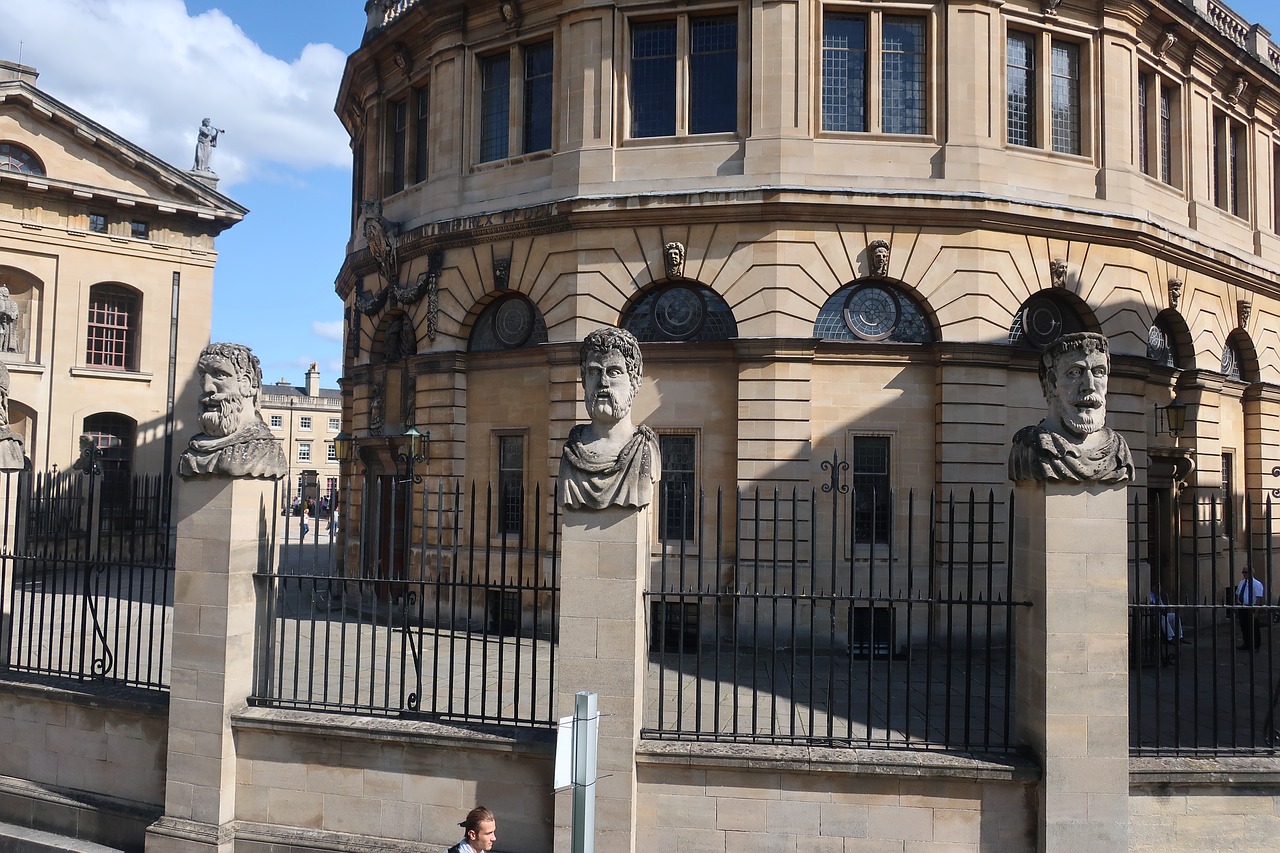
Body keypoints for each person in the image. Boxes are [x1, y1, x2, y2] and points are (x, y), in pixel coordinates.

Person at [1008, 332, 1134, 484]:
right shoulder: (1029, 447)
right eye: (1074, 373)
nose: (1089, 386)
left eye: (1099, 372)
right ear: (1052, 382)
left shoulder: (1118, 451)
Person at [559, 327, 661, 510]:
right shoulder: (571, 452)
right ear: (584, 380)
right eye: (594, 372)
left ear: (635, 380)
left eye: (613, 372)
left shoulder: (643, 448)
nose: (602, 382)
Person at [178, 343, 288, 479]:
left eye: (219, 375)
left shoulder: (265, 453)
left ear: (246, 383)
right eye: (202, 376)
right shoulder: (191, 453)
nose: (207, 387)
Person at [1236, 567, 1265, 652]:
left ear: (1251, 573)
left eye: (1246, 572)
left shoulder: (1256, 584)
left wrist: (1256, 610)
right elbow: (1238, 593)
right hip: (1243, 607)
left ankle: (1256, 646)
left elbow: (1258, 597)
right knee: (1244, 627)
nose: (1244, 574)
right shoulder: (1241, 582)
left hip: (1251, 607)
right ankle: (1246, 644)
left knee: (1254, 627)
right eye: (1243, 572)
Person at [0, 285, 19, 352]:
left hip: (7, 323)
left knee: (6, 335)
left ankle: (5, 349)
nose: (6, 291)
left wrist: (11, 314)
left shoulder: (12, 303)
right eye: (4, 290)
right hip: (2, 322)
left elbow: (15, 313)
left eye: (6, 290)